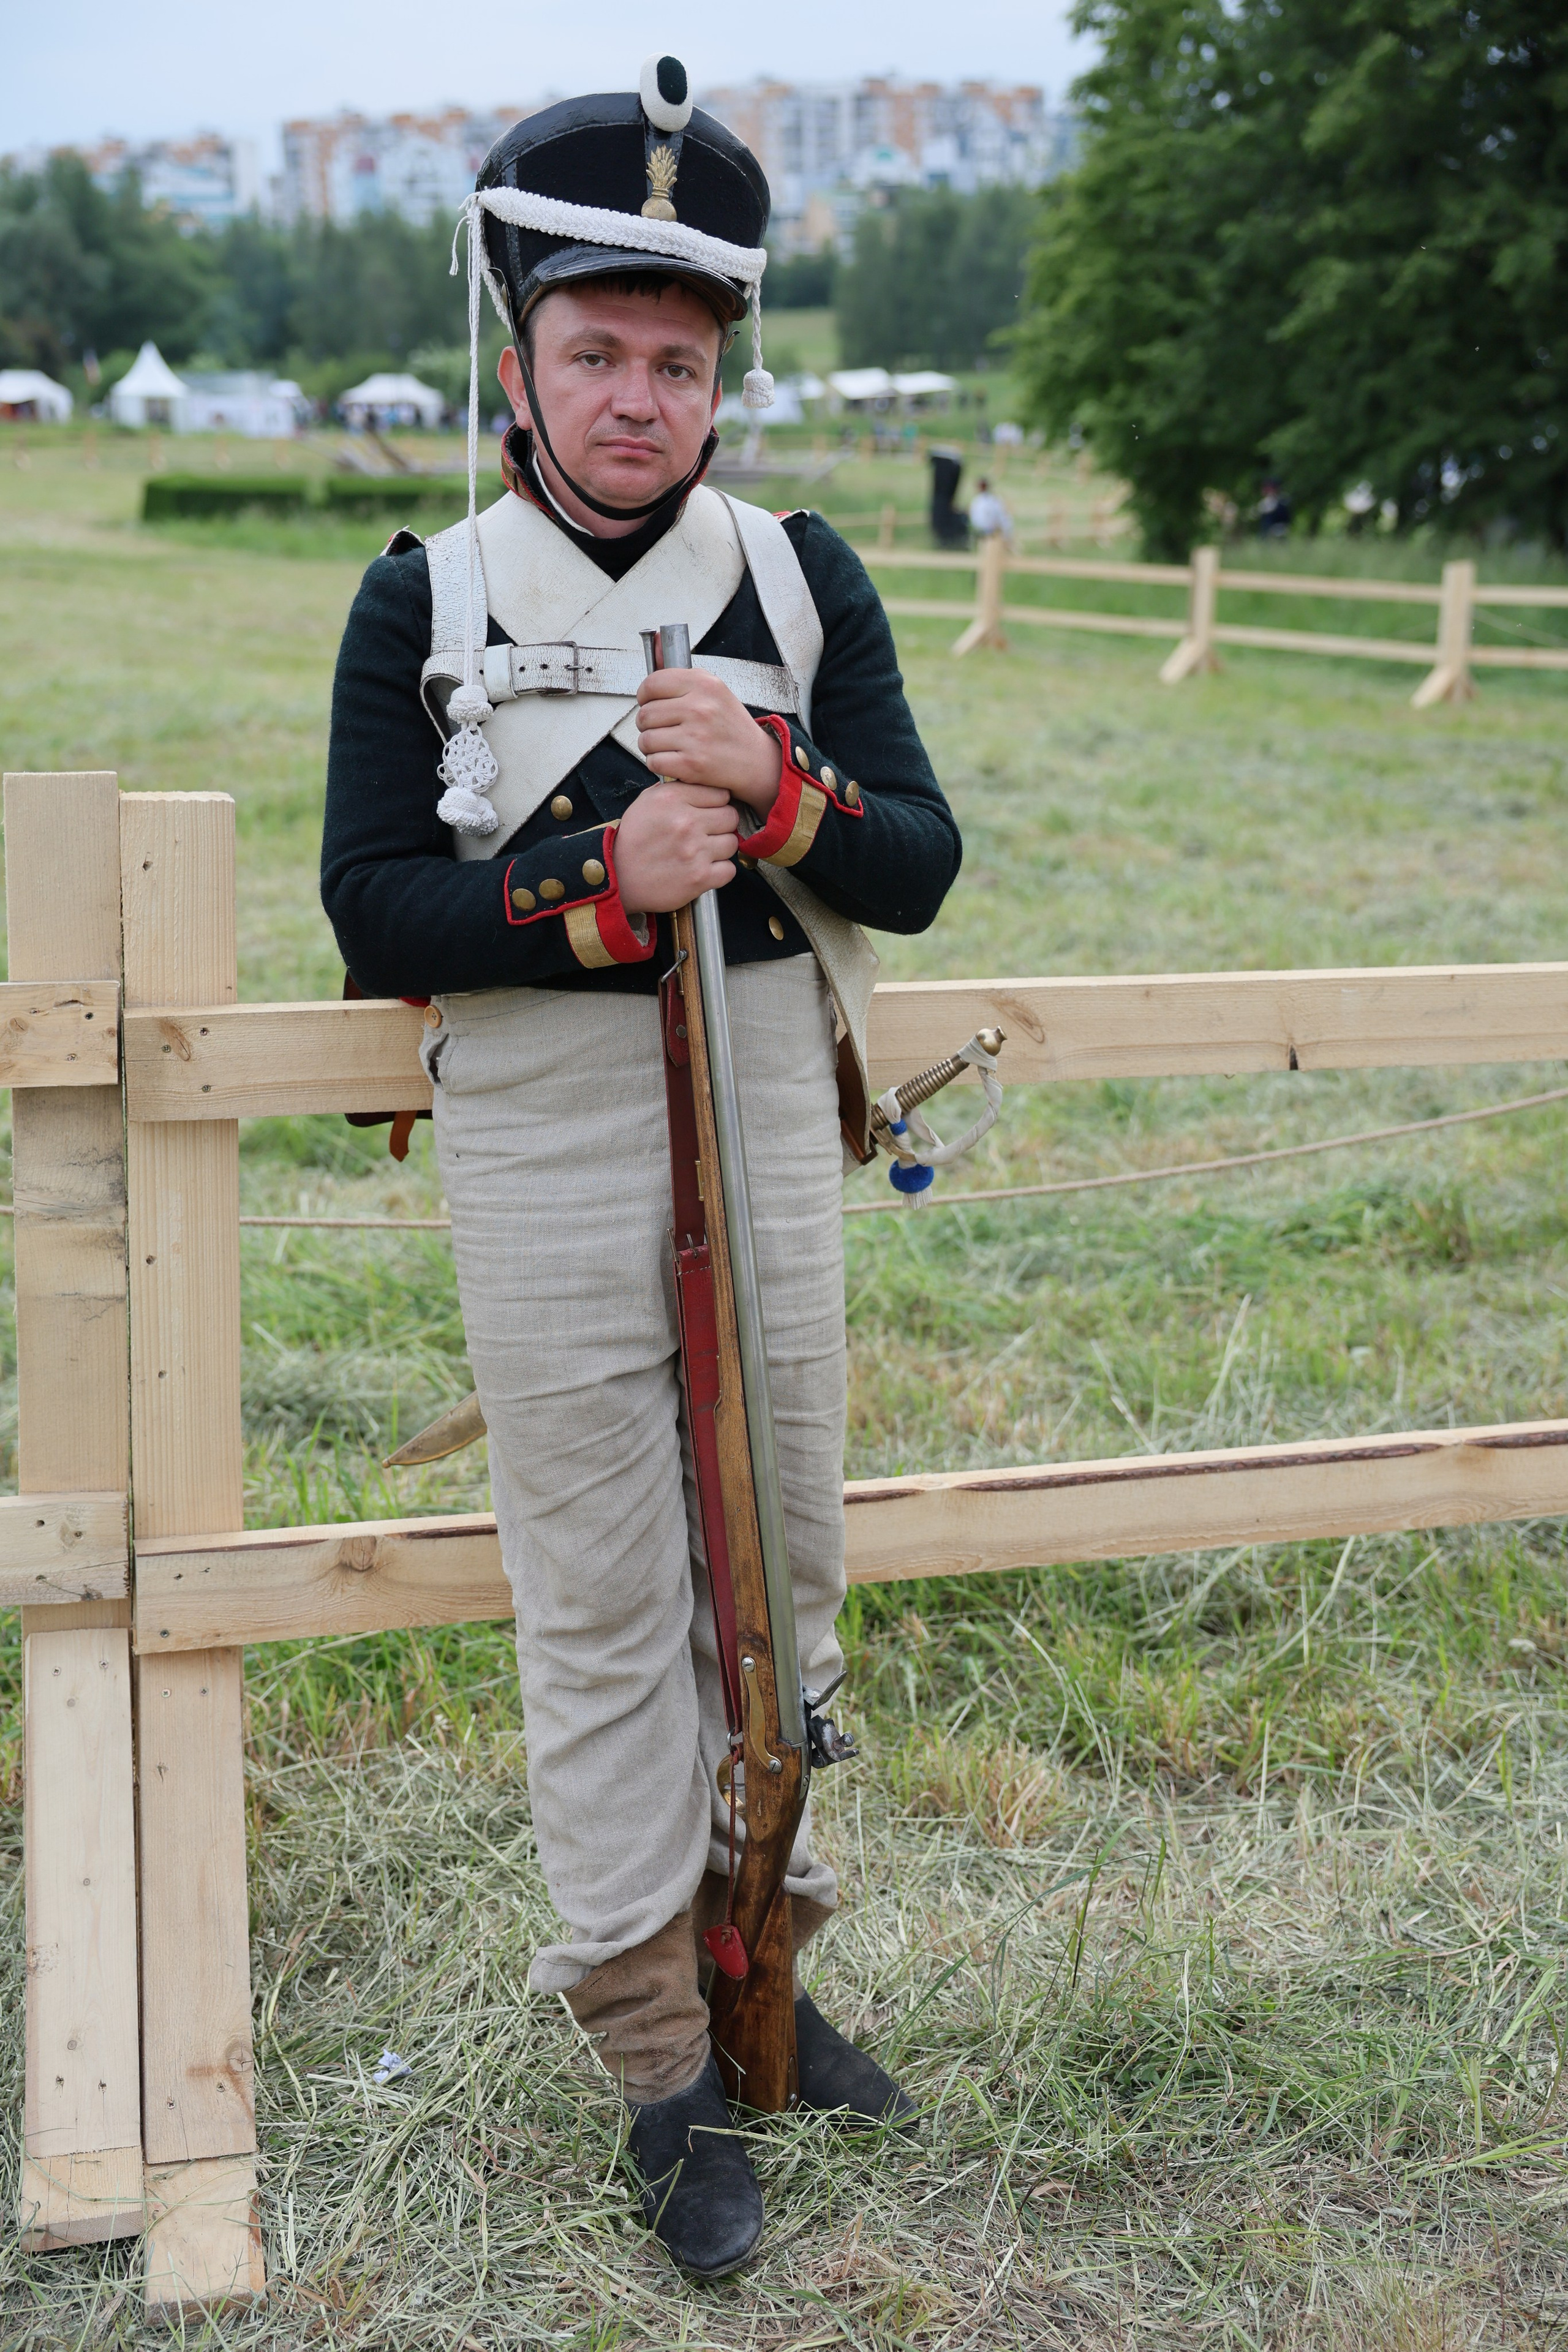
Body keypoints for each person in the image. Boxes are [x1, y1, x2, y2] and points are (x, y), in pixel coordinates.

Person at [321, 59, 962, 2281]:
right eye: (593, 354)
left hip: (771, 1097)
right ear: (524, 363)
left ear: (718, 382)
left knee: (778, 1561)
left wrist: (778, 798)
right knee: (604, 1600)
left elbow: (924, 862)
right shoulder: (426, 592)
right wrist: (598, 876)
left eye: (674, 363)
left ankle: (767, 1963)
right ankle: (651, 2055)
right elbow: (370, 908)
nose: (632, 399)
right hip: (544, 1120)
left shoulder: (796, 577)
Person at [967, 476, 1012, 544]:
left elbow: (1001, 517)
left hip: (991, 531)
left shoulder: (993, 501)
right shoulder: (977, 501)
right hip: (980, 530)